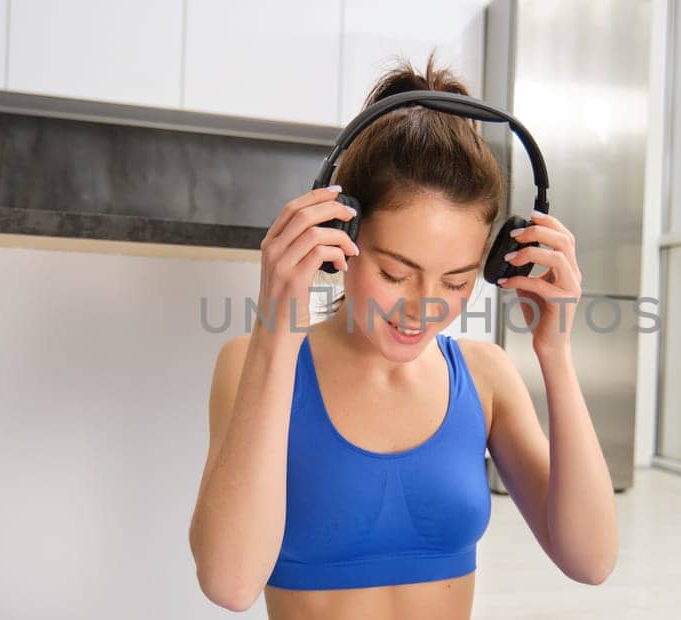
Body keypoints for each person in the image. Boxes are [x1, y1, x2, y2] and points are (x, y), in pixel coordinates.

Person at [188, 58, 618, 619]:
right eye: (395, 274)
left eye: (457, 280)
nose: (425, 308)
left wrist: (555, 355)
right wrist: (276, 330)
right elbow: (229, 583)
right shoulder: (256, 361)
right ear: (340, 235)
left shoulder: (485, 376)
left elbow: (591, 561)